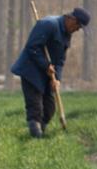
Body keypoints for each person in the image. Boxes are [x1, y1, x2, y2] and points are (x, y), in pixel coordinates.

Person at [11, 7, 90, 137]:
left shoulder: (66, 34)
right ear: (71, 19)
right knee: (35, 108)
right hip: (31, 70)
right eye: (78, 26)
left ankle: (38, 134)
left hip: (48, 74)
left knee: (49, 109)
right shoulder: (48, 24)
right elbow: (32, 47)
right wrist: (46, 65)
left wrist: (57, 78)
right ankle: (36, 137)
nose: (77, 30)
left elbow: (60, 60)